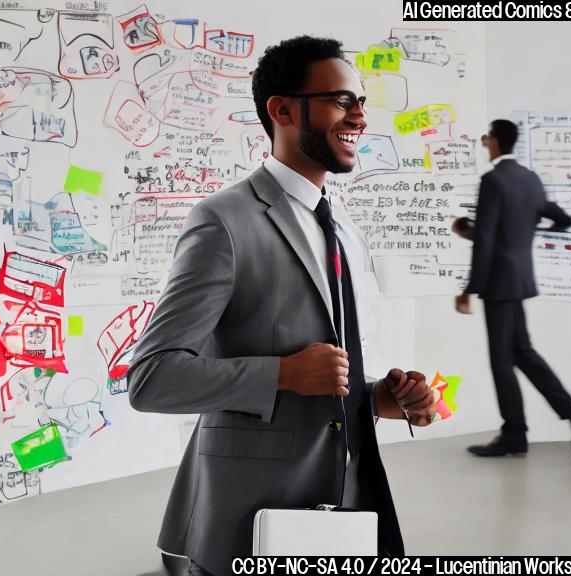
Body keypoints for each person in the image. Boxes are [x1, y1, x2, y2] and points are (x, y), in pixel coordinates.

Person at [128, 36, 437, 576]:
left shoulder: (344, 229)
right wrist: (283, 374)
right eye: (343, 100)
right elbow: (152, 379)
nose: (360, 117)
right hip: (250, 518)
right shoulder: (222, 222)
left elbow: (331, 380)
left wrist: (381, 399)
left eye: (361, 102)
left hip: (348, 506)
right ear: (283, 109)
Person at [457, 119, 571, 459]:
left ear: (496, 141)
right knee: (522, 353)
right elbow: (562, 218)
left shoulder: (493, 180)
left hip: (498, 281)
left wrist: (469, 288)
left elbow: (487, 238)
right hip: (520, 277)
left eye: (487, 137)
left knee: (501, 361)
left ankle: (515, 435)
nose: (484, 142)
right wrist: (524, 231)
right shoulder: (529, 178)